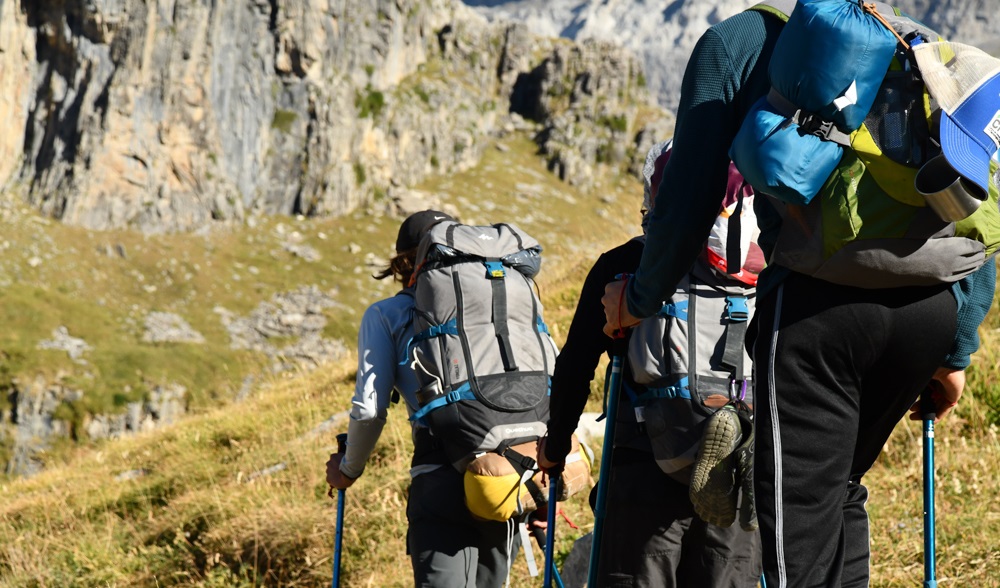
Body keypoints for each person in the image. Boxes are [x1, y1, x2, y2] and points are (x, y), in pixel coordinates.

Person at [598, 6, 998, 588]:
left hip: (816, 312)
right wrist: (956, 353)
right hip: (927, 313)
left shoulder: (735, 42)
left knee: (796, 531)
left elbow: (686, 199)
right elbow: (966, 202)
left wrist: (638, 298)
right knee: (843, 492)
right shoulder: (912, 38)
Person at [538, 141, 762, 587]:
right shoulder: (770, 268)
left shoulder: (625, 265)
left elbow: (577, 364)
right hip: (740, 467)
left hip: (645, 463)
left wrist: (556, 445)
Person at [325, 209, 522, 588]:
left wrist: (348, 469)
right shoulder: (493, 302)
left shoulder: (387, 314)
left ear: (401, 263)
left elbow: (369, 410)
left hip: (440, 475)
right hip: (506, 472)